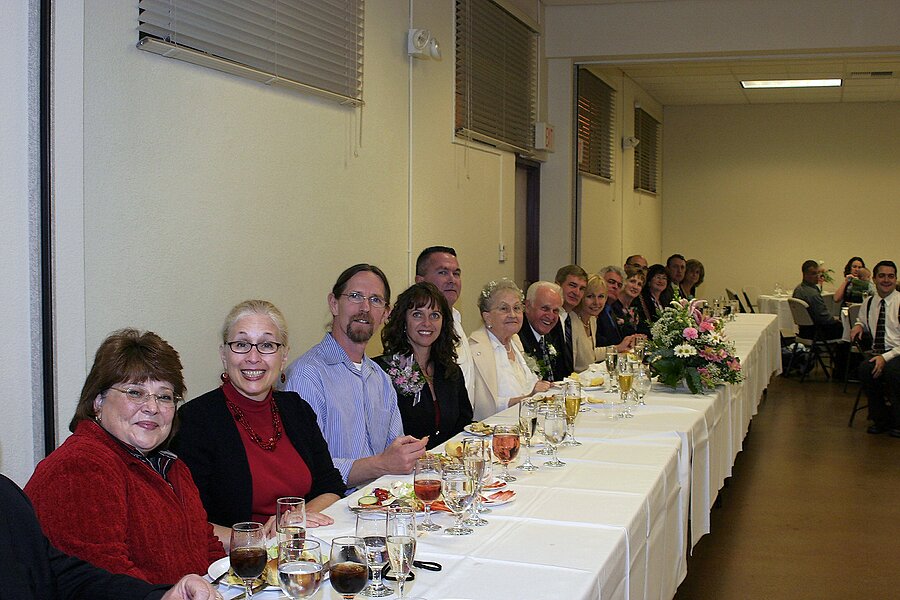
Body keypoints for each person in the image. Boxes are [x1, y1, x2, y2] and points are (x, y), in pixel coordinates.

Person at [24, 330, 224, 585]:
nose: (152, 407)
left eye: (164, 396)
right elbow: (106, 583)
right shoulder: (80, 467)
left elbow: (207, 547)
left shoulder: (173, 467)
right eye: (135, 392)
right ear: (98, 401)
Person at [171, 301, 344, 546]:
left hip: (302, 548)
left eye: (267, 345)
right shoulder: (195, 420)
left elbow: (331, 486)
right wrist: (260, 538)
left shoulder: (297, 409)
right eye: (241, 344)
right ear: (224, 355)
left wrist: (296, 518)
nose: (253, 358)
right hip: (240, 559)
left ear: (284, 356)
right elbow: (189, 521)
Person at [283, 264, 427, 488]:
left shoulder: (380, 378)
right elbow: (308, 467)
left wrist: (407, 455)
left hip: (383, 499)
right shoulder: (307, 375)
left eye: (375, 300)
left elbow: (394, 450)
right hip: (332, 505)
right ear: (334, 304)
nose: (365, 307)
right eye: (355, 296)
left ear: (385, 314)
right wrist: (382, 465)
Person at [3, 474, 222, 600]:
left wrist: (161, 596)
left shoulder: (6, 496)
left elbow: (61, 575)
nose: (152, 410)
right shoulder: (80, 469)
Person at [375, 282, 472, 449]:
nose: (427, 323)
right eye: (417, 315)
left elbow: (464, 425)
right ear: (403, 320)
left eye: (434, 315)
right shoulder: (382, 371)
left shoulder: (451, 371)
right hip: (402, 464)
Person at [469, 279, 553, 420]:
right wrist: (528, 398)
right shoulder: (475, 350)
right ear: (487, 317)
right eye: (504, 309)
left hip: (526, 420)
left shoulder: (515, 341)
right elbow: (480, 405)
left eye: (517, 308)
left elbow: (528, 385)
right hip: (495, 426)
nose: (513, 315)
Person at [414, 246, 474, 396]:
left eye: (456, 274)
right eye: (443, 272)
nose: (452, 280)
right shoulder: (420, 328)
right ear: (420, 281)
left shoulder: (455, 318)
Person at [850, 261, 900, 437]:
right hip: (878, 351)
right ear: (874, 279)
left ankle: (898, 421)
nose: (886, 280)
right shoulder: (869, 302)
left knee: (893, 371)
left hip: (898, 352)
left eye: (891, 276)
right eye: (882, 276)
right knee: (865, 369)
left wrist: (885, 358)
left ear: (895, 279)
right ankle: (880, 419)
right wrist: (858, 325)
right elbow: (862, 320)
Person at [519, 281, 573, 381]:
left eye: (555, 311)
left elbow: (563, 372)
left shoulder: (554, 330)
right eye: (545, 308)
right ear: (527, 306)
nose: (551, 316)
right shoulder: (517, 337)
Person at [792, 259, 844, 339]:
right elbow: (824, 317)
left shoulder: (798, 289)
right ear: (805, 275)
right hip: (817, 332)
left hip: (803, 331)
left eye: (818, 273)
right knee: (847, 328)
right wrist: (837, 320)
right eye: (814, 273)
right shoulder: (812, 294)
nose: (818, 276)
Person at [571, 275, 608, 371]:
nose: (596, 302)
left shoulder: (592, 320)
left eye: (601, 296)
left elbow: (590, 354)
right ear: (581, 297)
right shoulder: (571, 321)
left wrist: (618, 348)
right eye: (590, 296)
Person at [596, 266, 637, 352]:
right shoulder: (594, 308)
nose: (615, 287)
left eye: (619, 285)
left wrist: (632, 338)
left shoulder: (614, 308)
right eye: (611, 282)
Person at [554, 264, 589, 359]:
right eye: (572, 285)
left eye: (581, 289)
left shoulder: (571, 318)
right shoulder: (549, 318)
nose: (577, 292)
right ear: (557, 285)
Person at [611, 266, 651, 338]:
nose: (635, 287)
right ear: (623, 282)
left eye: (639, 284)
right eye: (632, 281)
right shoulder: (612, 305)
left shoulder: (636, 309)